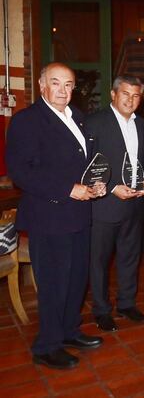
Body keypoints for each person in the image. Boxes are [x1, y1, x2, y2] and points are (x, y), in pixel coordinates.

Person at [6, 62, 104, 369]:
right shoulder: (28, 121)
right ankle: (46, 346)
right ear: (42, 85)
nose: (63, 91)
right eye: (56, 83)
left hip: (79, 214)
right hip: (49, 216)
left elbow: (82, 163)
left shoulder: (78, 117)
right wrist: (67, 188)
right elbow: (21, 172)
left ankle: (68, 331)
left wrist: (93, 183)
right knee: (53, 283)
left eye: (69, 84)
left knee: (76, 279)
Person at [86, 75, 144, 332]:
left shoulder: (143, 126)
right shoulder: (94, 123)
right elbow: (88, 164)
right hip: (104, 203)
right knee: (99, 261)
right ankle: (101, 310)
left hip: (135, 203)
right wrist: (112, 188)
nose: (131, 100)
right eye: (125, 93)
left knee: (130, 256)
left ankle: (126, 303)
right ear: (113, 94)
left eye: (136, 95)